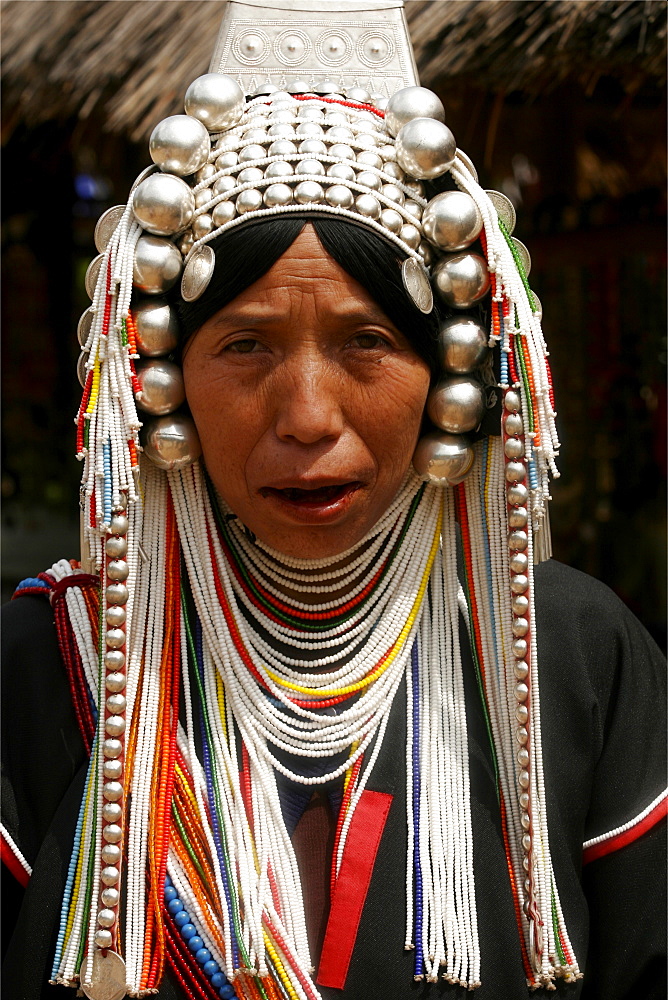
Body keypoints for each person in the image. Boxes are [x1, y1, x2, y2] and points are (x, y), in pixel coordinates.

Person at [2, 4, 666, 999]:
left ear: (450, 371)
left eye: (366, 343)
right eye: (245, 345)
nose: (307, 417)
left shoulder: (567, 657)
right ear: (163, 375)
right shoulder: (52, 667)